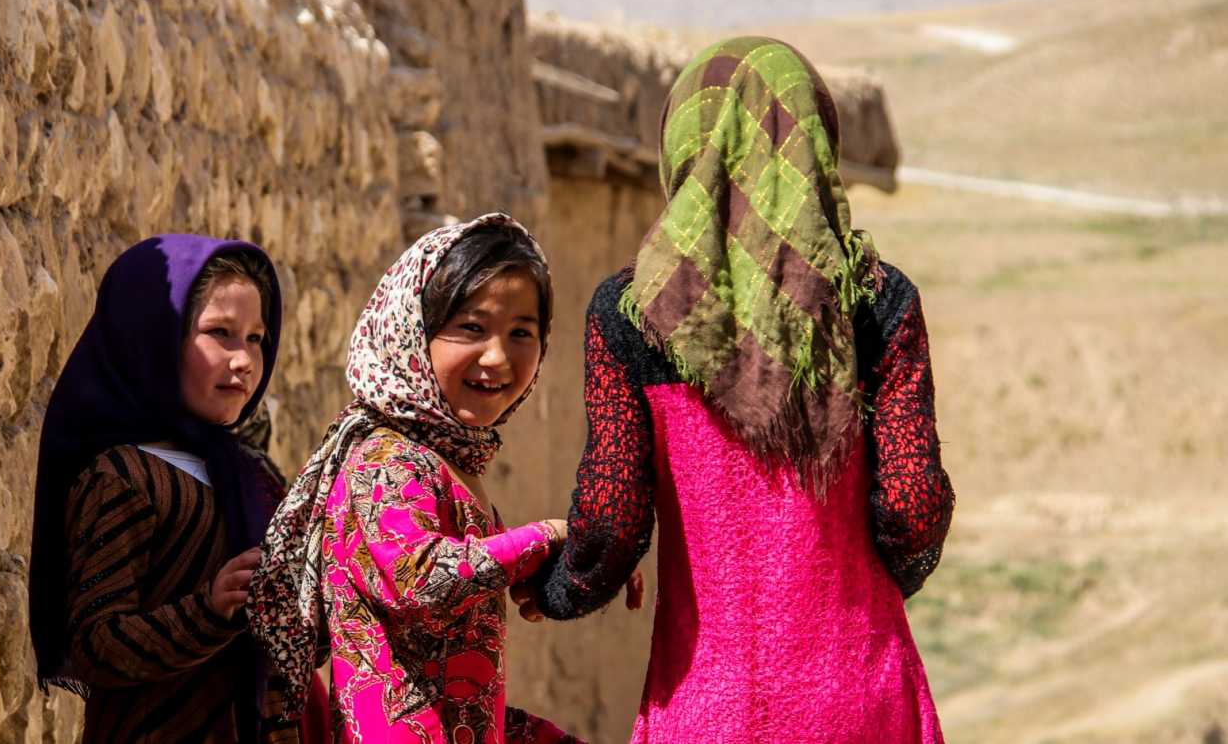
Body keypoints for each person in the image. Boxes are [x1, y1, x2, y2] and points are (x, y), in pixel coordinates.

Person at [515, 37, 955, 742]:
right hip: (861, 691)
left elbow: (614, 515)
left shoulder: (633, 314)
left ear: (684, 146)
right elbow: (914, 502)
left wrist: (560, 587)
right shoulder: (876, 301)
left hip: (708, 706)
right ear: (817, 142)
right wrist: (860, 592)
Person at [249, 214, 581, 743]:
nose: (497, 357)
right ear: (412, 330)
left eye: (522, 333)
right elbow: (418, 578)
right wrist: (546, 537)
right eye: (472, 328)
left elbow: (444, 676)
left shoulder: (447, 462)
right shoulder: (389, 457)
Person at [27, 235, 328, 743]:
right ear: (155, 338)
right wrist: (209, 611)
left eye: (256, 338)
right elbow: (95, 644)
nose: (244, 360)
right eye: (220, 333)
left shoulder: (254, 474)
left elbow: (294, 650)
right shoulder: (124, 476)